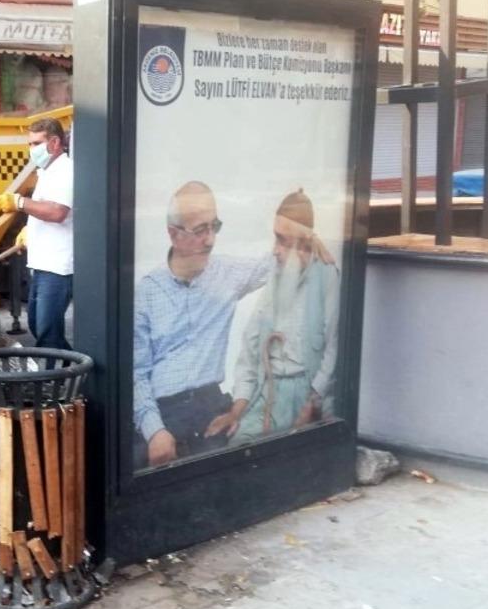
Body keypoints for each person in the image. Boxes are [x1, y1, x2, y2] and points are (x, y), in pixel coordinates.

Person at [132, 182, 270, 468]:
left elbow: (275, 263)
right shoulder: (147, 292)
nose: (209, 240)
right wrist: (155, 430)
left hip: (210, 408)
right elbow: (137, 372)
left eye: (214, 227)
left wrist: (312, 238)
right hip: (162, 411)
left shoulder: (227, 274)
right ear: (173, 234)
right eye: (199, 230)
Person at [205, 190, 340, 445]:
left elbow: (334, 348)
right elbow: (249, 351)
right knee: (237, 445)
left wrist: (312, 402)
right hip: (267, 394)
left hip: (309, 394)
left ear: (303, 243)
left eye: (282, 240)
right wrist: (236, 411)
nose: (275, 250)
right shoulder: (276, 275)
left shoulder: (326, 276)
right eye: (275, 239)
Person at [0, 117, 73, 350]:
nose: (32, 150)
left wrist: (19, 202)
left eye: (36, 143)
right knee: (38, 325)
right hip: (41, 262)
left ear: (55, 142)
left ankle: (56, 380)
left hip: (58, 265)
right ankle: (77, 373)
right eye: (29, 144)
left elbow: (58, 211)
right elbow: (44, 207)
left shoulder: (66, 171)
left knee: (47, 330)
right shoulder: (46, 172)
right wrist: (30, 229)